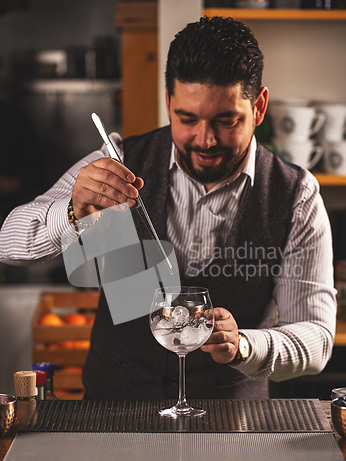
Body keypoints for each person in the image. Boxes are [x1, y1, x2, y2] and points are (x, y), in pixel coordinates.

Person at [0, 16, 336, 400]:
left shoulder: (295, 194)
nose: (205, 140)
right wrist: (72, 211)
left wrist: (244, 344)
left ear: (258, 107)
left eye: (226, 121)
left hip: (231, 428)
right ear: (168, 103)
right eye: (187, 119)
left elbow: (317, 339)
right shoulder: (122, 160)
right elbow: (7, 243)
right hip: (112, 416)